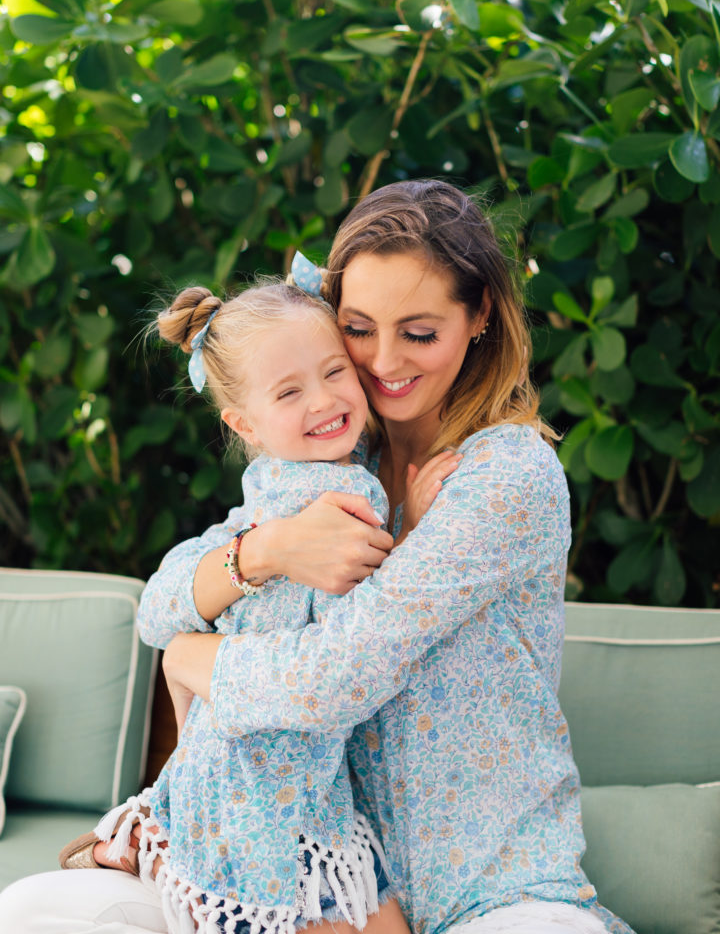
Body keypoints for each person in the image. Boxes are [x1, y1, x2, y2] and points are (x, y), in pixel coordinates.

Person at [0, 179, 634, 934]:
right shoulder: (328, 455)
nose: (382, 362)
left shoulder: (507, 473)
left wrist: (195, 661)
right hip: (321, 878)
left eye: (420, 333)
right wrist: (268, 550)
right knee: (40, 910)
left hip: (492, 891)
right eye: (358, 330)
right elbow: (162, 603)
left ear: (481, 317)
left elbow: (337, 676)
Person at [61, 273, 432, 934]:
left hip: (298, 787)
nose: (322, 400)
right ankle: (151, 831)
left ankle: (147, 828)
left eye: (334, 371)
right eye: (290, 391)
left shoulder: (280, 486)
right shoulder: (322, 498)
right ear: (244, 423)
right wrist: (413, 527)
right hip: (262, 801)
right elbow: (364, 635)